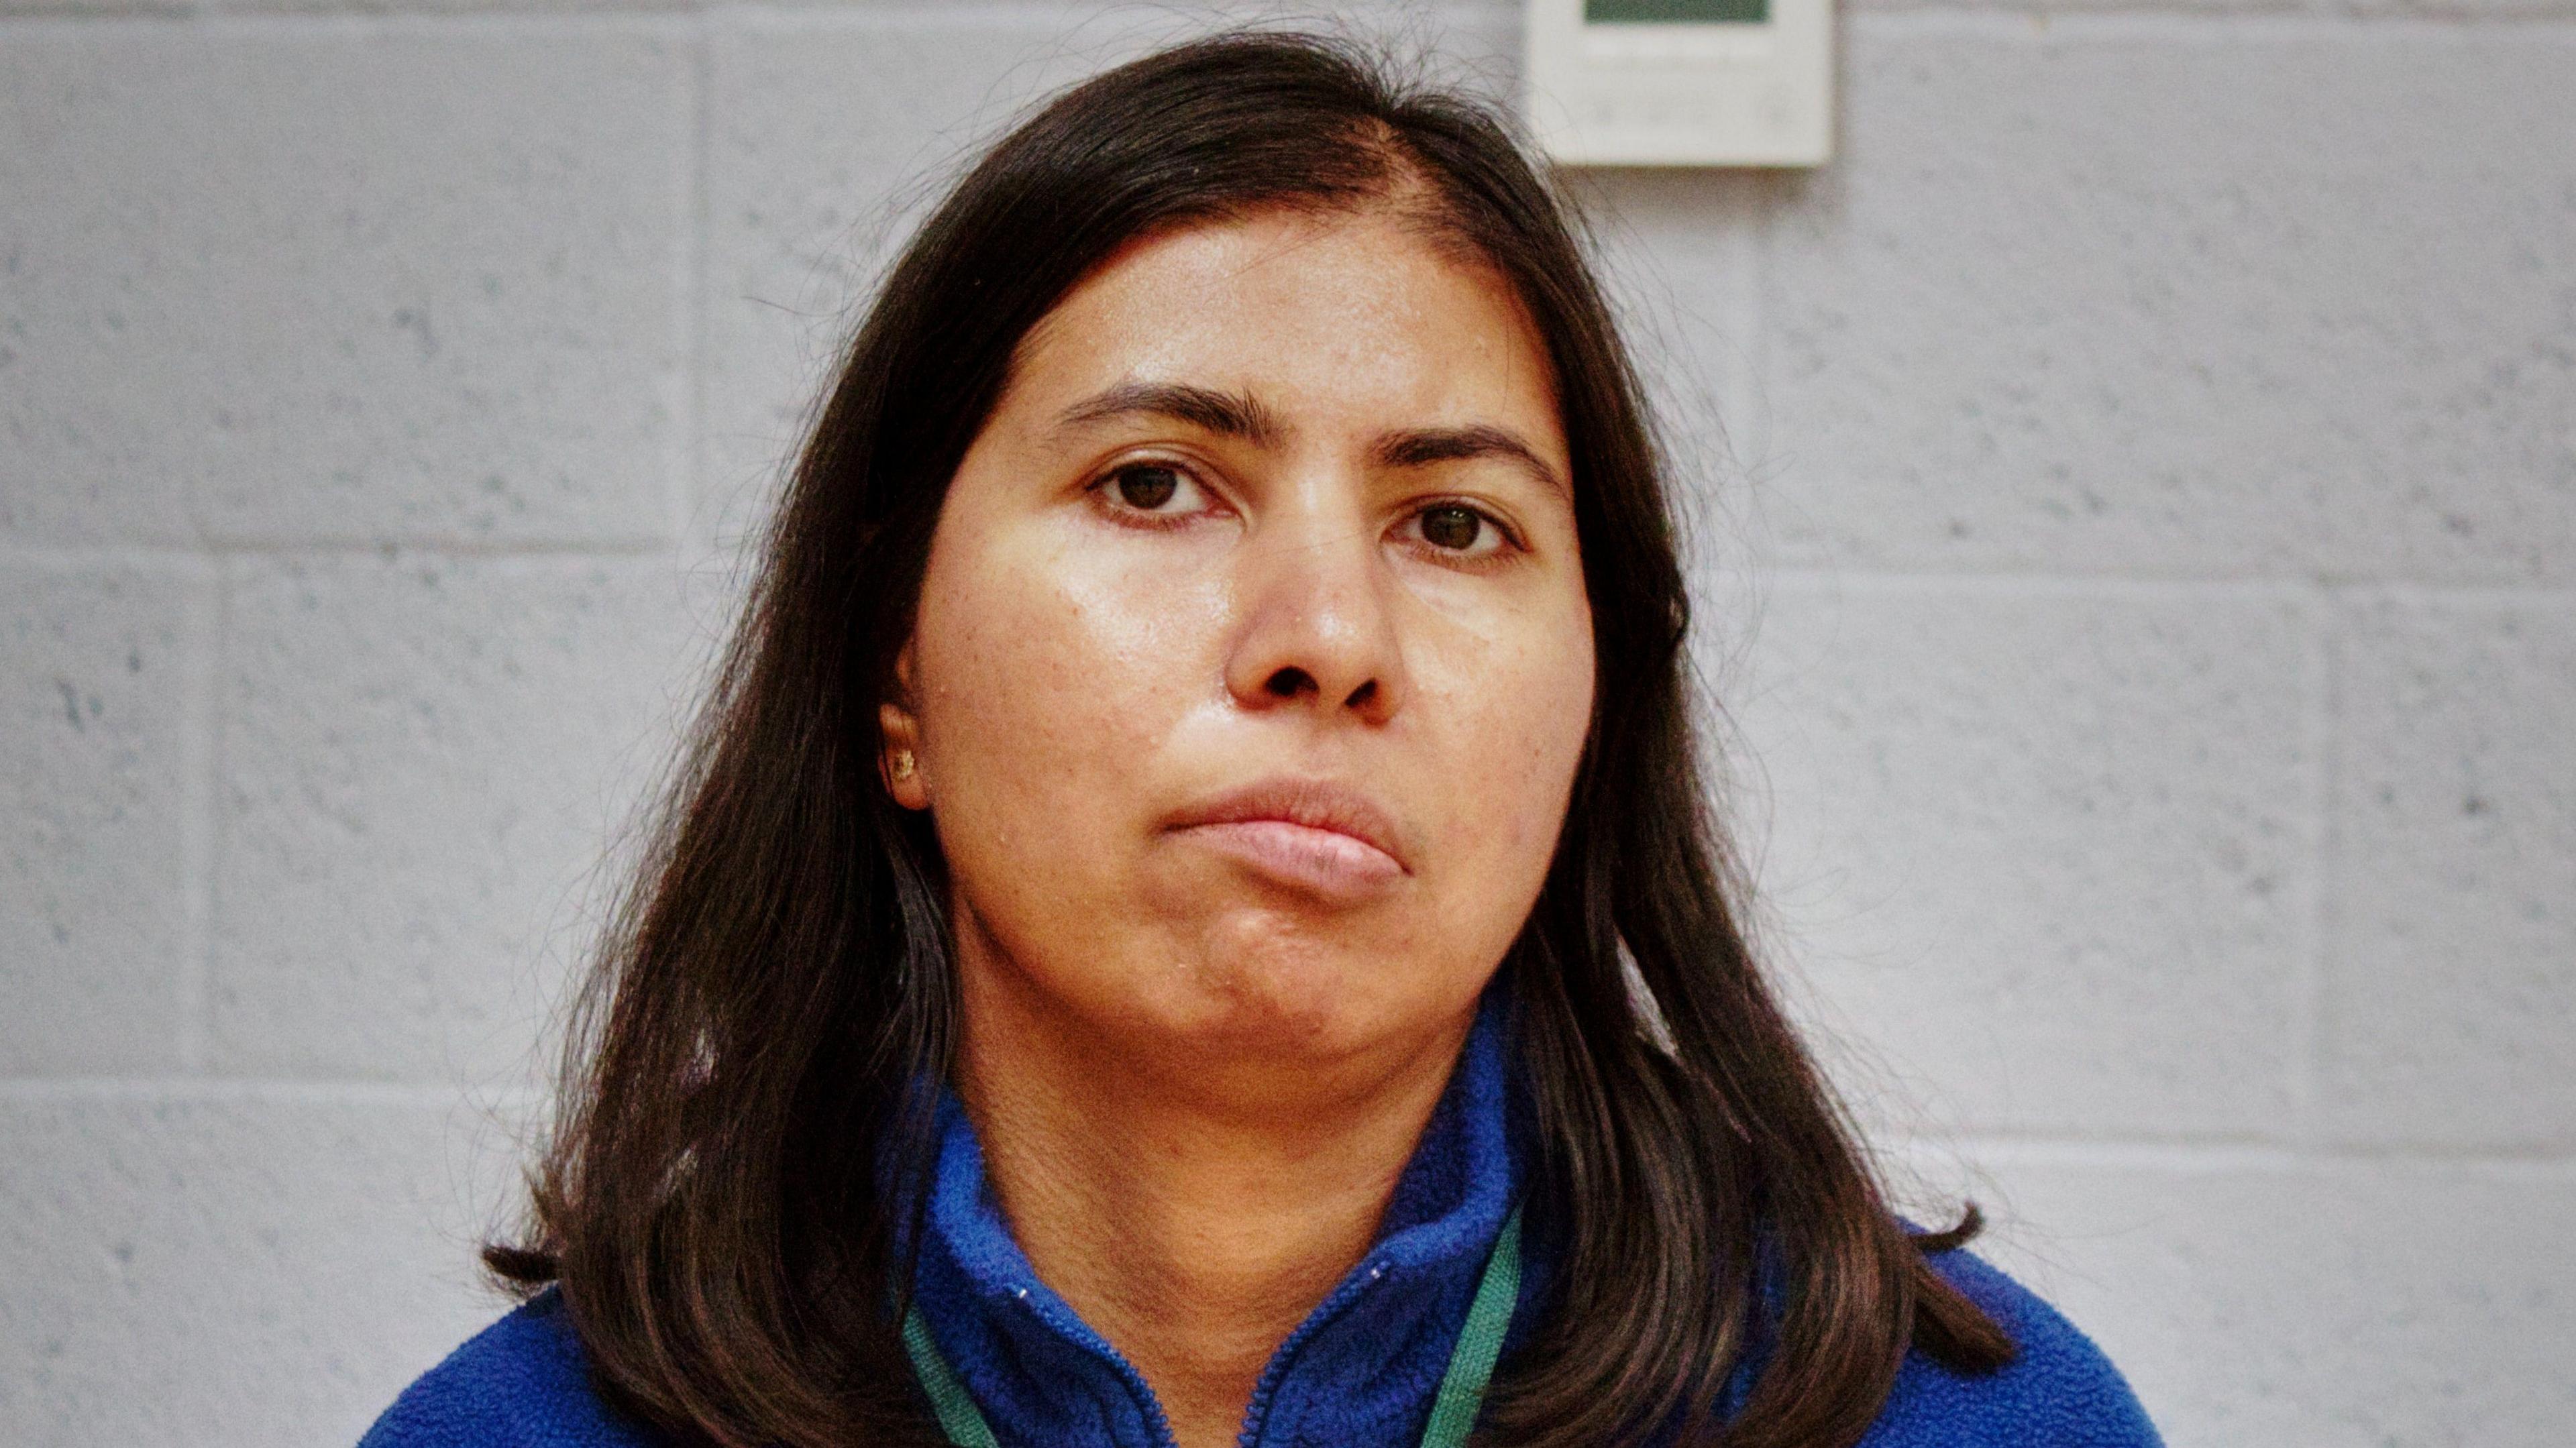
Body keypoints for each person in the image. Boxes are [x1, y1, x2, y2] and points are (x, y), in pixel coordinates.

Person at [360, 31, 2160, 1448]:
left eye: (1455, 524)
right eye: (1157, 486)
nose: (1326, 643)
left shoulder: (1971, 1434)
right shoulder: (513, 1441)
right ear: (892, 668)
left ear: (1596, 716)